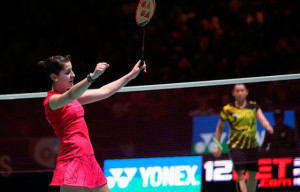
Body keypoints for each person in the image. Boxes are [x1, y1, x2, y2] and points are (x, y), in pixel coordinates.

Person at [38, 55, 146, 192]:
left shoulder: (73, 97)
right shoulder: (52, 102)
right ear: (54, 77)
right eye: (67, 72)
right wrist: (92, 77)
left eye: (72, 70)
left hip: (88, 157)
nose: (73, 75)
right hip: (72, 158)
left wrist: (131, 75)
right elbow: (71, 95)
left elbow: (104, 91)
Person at [213, 84, 273, 192]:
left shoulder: (254, 107)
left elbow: (262, 119)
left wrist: (268, 126)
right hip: (236, 146)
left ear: (247, 92)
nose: (240, 93)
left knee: (253, 175)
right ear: (233, 93)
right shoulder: (228, 109)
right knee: (240, 175)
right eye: (237, 91)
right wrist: (217, 146)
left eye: (242, 90)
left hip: (252, 146)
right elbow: (219, 127)